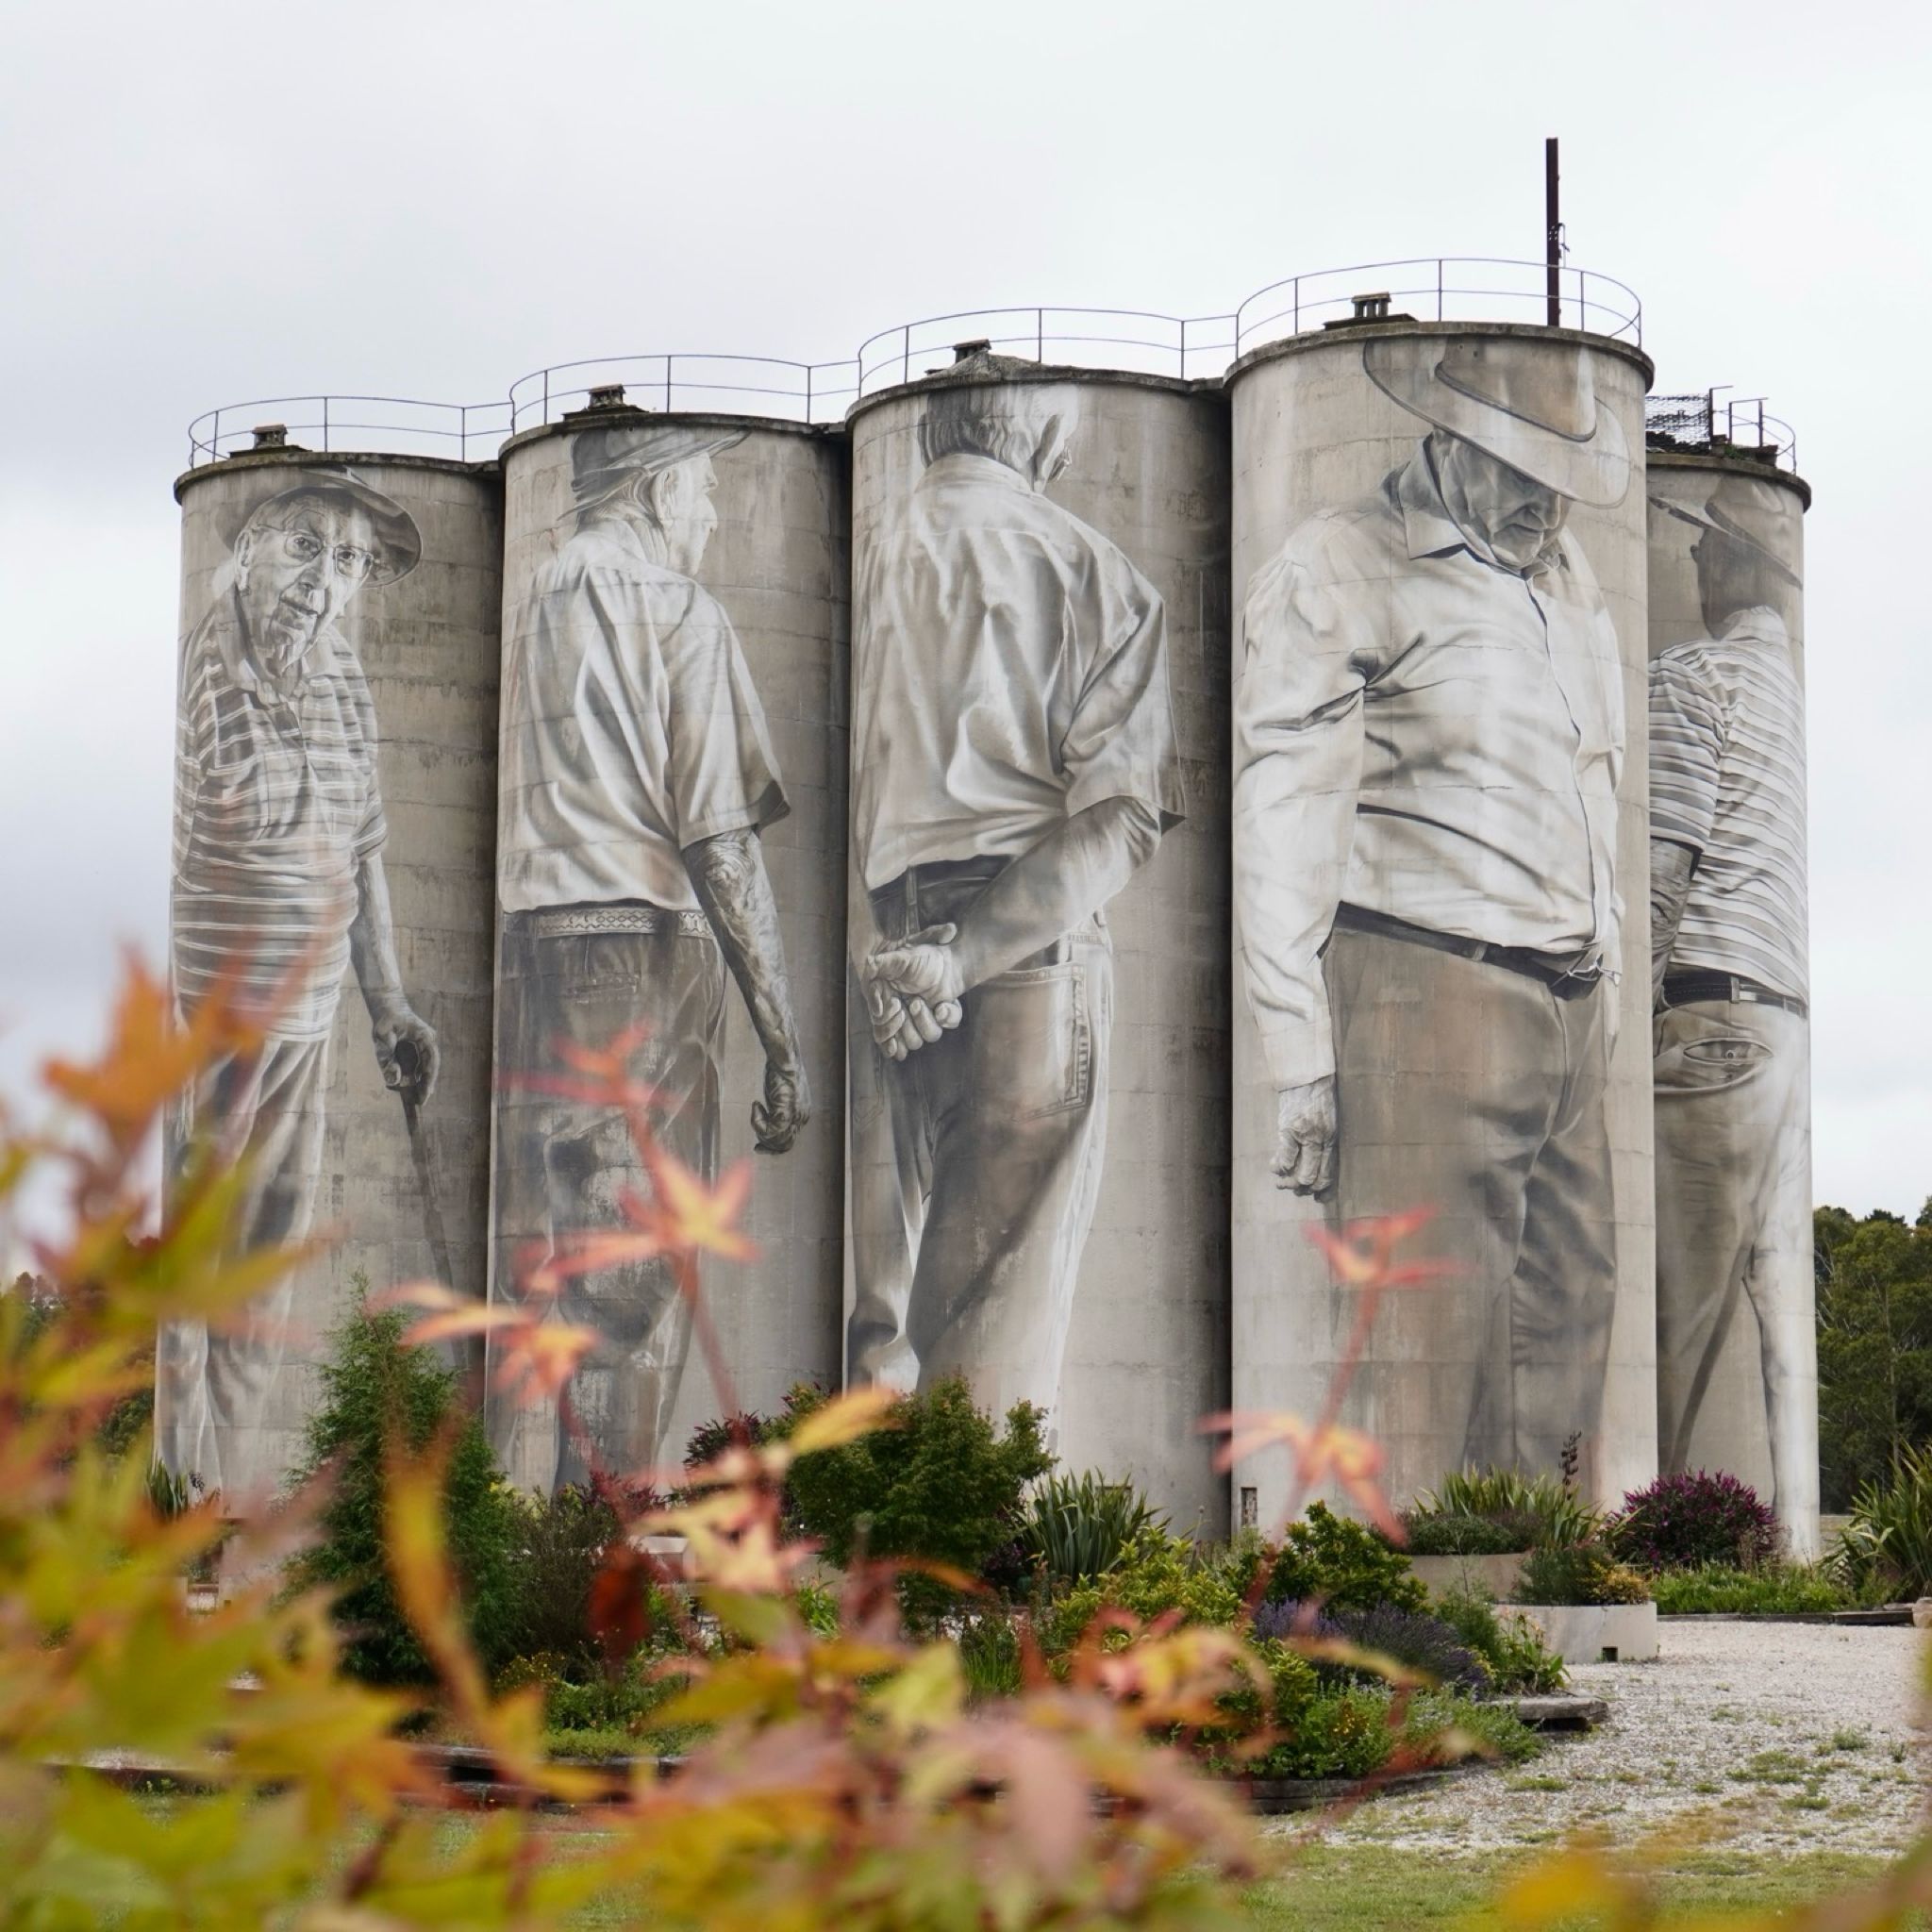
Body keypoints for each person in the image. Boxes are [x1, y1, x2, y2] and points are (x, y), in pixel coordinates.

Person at [1233, 336, 1631, 1475]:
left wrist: (1603, 961)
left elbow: (1594, 783)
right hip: (1424, 985)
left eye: (1560, 474)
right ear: (1450, 437)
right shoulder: (1343, 564)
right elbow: (1282, 814)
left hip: (1568, 1000)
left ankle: (1543, 1577)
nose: (1541, 501)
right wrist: (1299, 1055)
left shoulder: (1566, 581)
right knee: (1424, 1332)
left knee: (1568, 1312)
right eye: (1517, 465)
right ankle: (1403, 1615)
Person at [847, 365, 1184, 1424]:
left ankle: (875, 1578)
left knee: (884, 1330)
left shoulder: (864, 558)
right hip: (1017, 952)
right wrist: (960, 954)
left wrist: (910, 951)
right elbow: (1121, 815)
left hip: (887, 957)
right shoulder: (1085, 566)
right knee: (992, 1332)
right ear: (1039, 437)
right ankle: (977, 1587)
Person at [492, 413, 809, 1491]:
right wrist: (781, 1033)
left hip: (541, 943)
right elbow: (718, 836)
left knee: (582, 1252)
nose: (714, 512)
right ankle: (598, 1546)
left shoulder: (536, 594)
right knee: (633, 1269)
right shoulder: (675, 604)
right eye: (703, 490)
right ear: (655, 489)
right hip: (643, 945)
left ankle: (571, 1532)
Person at [158, 472, 437, 1494]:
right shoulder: (216, 660)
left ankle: (236, 1486)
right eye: (309, 550)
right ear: (252, 545)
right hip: (228, 1005)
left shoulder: (339, 673)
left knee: (268, 1252)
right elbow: (267, 823)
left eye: (353, 564)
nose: (326, 586)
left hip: (314, 1002)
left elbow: (361, 847)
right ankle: (181, 1487)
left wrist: (392, 1001)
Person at [1648, 474, 1814, 1533]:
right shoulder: (1790, 691)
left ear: (1739, 567)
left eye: (1706, 549)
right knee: (1780, 1316)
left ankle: (1646, 1541)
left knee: (1669, 1317)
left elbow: (1665, 868)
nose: (1692, 564)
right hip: (1787, 1018)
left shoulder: (1690, 678)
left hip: (1710, 1014)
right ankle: (1797, 1549)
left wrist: (1617, 1015)